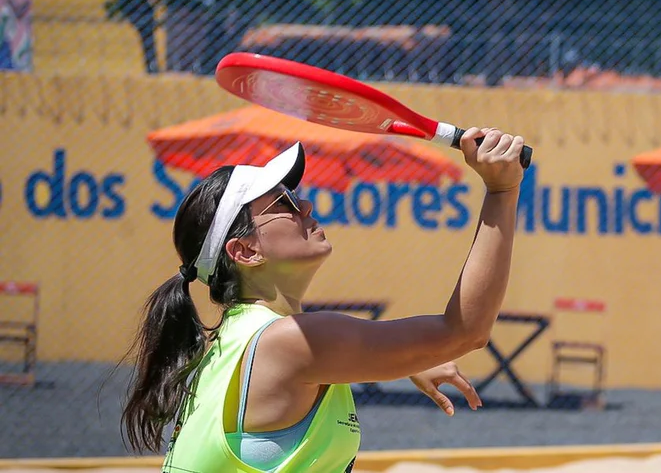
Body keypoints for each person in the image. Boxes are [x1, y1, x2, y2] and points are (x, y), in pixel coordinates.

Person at [119, 128, 526, 473]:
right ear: (244, 252)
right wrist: (502, 190)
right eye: (284, 204)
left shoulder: (236, 341)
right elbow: (465, 331)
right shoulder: (290, 342)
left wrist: (406, 357)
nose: (306, 205)